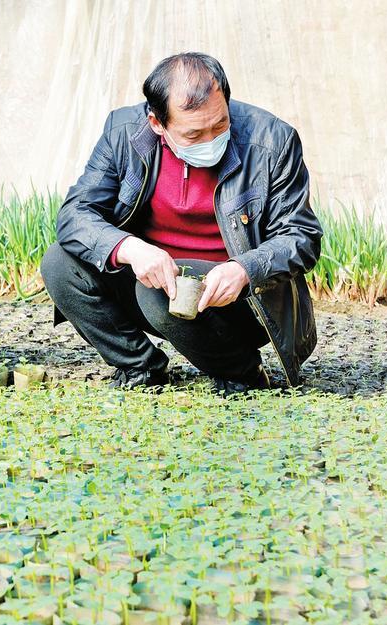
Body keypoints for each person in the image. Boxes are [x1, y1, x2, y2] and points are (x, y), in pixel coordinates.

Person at [41, 52, 322, 394]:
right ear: (157, 124)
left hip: (242, 301)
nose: (210, 141)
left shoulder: (273, 141)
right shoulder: (123, 133)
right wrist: (130, 249)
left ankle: (242, 371)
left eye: (220, 126)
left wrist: (245, 270)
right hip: (154, 285)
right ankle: (140, 366)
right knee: (59, 263)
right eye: (192, 134)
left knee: (160, 288)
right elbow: (75, 215)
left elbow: (302, 236)